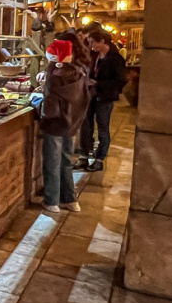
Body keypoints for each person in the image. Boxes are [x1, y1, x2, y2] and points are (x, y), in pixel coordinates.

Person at [40, 35, 91, 213]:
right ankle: (70, 200)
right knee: (66, 162)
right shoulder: (79, 72)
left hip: (55, 124)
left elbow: (50, 104)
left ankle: (52, 201)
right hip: (72, 123)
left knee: (52, 163)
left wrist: (39, 103)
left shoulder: (55, 75)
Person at [76, 29, 127, 172]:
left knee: (103, 127)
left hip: (104, 97)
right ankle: (84, 156)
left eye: (93, 42)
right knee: (86, 126)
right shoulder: (94, 56)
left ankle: (99, 159)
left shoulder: (115, 59)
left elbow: (120, 80)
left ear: (103, 42)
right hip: (90, 95)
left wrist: (98, 83)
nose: (91, 45)